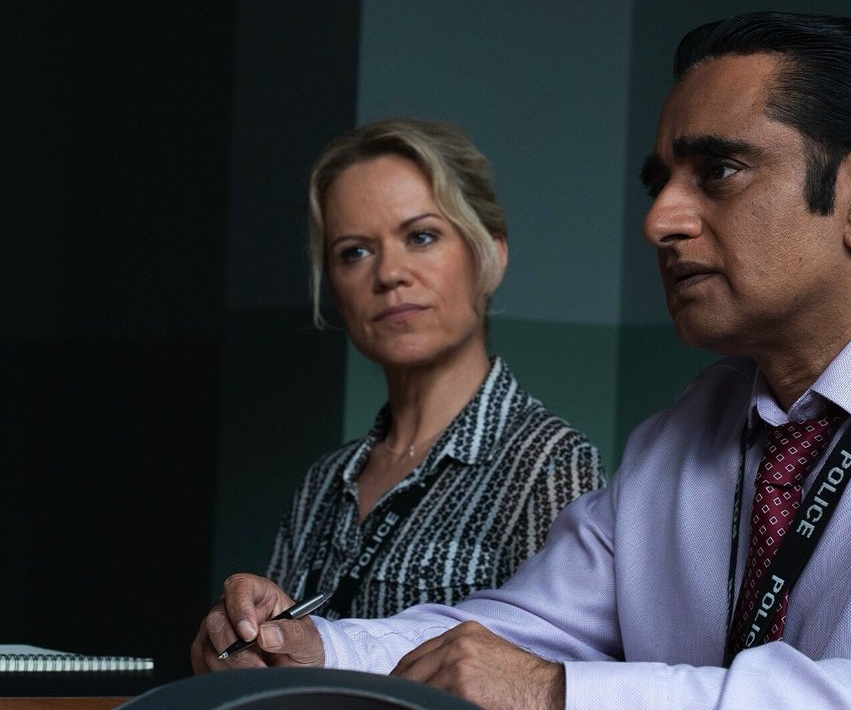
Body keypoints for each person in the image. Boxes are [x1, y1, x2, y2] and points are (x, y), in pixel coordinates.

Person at [193, 12, 851, 710]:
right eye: (660, 182)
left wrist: (564, 696)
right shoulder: (682, 436)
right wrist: (311, 647)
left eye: (719, 171)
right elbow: (511, 634)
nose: (660, 220)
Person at [220, 118, 603, 629]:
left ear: (490, 255)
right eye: (355, 252)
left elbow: (550, 662)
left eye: (421, 236)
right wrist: (243, 643)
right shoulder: (322, 484)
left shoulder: (550, 466)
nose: (388, 274)